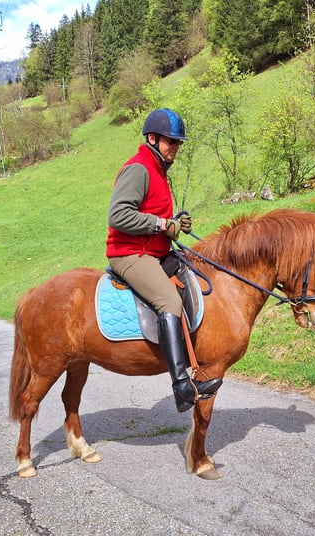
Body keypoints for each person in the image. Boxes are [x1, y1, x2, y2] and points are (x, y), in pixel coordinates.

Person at [106, 108, 222, 412]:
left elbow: (151, 214)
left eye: (178, 143)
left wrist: (173, 222)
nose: (175, 148)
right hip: (129, 254)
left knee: (194, 277)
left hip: (154, 251)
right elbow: (118, 216)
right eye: (171, 141)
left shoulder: (158, 170)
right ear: (153, 138)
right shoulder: (139, 168)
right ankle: (182, 385)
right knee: (169, 302)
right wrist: (160, 224)